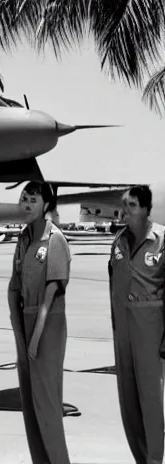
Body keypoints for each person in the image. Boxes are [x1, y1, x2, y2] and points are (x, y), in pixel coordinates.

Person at [7, 180, 71, 464]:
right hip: (25, 322)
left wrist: (34, 339)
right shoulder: (23, 238)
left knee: (47, 405)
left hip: (48, 325)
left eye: (33, 199)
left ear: (46, 204)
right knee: (30, 406)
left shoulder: (54, 239)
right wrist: (20, 336)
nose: (27, 204)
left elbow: (51, 293)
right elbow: (13, 288)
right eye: (24, 198)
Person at [108, 185, 165, 464]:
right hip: (123, 332)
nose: (124, 210)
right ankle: (140, 459)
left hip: (151, 331)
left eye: (131, 205)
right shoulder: (118, 242)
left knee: (151, 401)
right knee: (128, 401)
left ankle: (155, 459)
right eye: (123, 204)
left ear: (145, 209)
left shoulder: (162, 240)